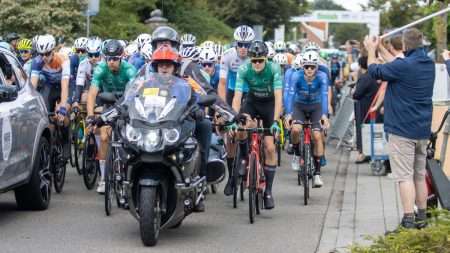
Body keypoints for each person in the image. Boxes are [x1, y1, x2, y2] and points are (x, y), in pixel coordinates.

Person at [364, 28, 435, 230]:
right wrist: (380, 48)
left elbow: (374, 71)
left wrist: (371, 50)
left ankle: (408, 220)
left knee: (404, 177)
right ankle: (422, 217)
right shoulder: (427, 64)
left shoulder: (404, 66)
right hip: (422, 130)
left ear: (404, 46)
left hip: (402, 131)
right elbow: (397, 64)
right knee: (419, 176)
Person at [230, 40, 283, 209]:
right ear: (250, 60)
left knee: (269, 147)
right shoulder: (244, 69)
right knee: (241, 128)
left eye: (261, 60)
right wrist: (233, 118)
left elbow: (279, 96)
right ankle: (245, 159)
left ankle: (268, 191)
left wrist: (275, 121)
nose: (258, 64)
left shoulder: (274, 69)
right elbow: (237, 96)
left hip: (269, 104)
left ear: (266, 59)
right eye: (255, 61)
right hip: (252, 102)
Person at [86, 39, 137, 193]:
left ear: (121, 58)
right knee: (103, 137)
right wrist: (89, 116)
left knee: (129, 138)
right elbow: (92, 94)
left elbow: (134, 95)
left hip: (126, 103)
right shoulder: (101, 68)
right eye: (108, 58)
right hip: (109, 102)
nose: (111, 62)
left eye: (115, 59)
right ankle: (103, 178)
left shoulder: (130, 70)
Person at [284, 50, 329, 188]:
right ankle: (297, 154)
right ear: (302, 66)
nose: (309, 69)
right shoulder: (296, 76)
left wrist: (324, 115)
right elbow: (290, 95)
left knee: (317, 136)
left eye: (312, 67)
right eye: (306, 66)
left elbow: (324, 95)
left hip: (316, 107)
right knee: (296, 130)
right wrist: (289, 113)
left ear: (317, 67)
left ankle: (317, 174)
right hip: (299, 106)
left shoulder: (322, 76)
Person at [30, 34, 71, 159]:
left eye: (47, 54)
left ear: (53, 51)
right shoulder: (36, 62)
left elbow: (65, 87)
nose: (44, 57)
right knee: (46, 116)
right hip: (50, 87)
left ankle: (65, 140)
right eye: (40, 54)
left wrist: (63, 107)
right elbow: (32, 87)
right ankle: (50, 144)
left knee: (62, 113)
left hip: (64, 86)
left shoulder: (63, 59)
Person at [218, 25, 254, 106]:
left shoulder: (255, 56)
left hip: (251, 92)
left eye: (247, 45)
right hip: (233, 91)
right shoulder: (228, 55)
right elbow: (222, 83)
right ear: (236, 43)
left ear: (251, 44)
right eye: (240, 44)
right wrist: (223, 105)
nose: (243, 48)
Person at [352, 56, 380, 164]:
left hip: (365, 108)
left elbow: (357, 94)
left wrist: (354, 90)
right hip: (372, 107)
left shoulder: (365, 77)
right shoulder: (374, 76)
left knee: (364, 130)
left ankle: (364, 153)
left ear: (360, 66)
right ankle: (368, 152)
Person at [73, 37, 103, 108]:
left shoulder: (105, 63)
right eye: (90, 55)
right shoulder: (83, 64)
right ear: (87, 54)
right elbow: (79, 83)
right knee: (84, 99)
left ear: (100, 53)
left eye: (96, 54)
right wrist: (76, 101)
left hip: (102, 88)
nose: (93, 58)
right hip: (89, 87)